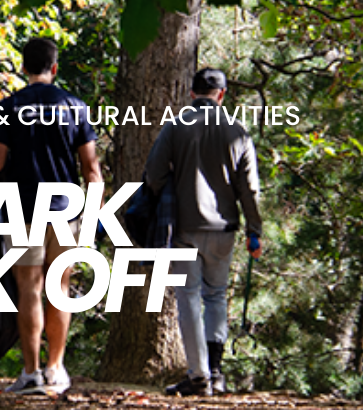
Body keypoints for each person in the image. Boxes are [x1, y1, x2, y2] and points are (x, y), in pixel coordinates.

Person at [0, 37, 102, 395]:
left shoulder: (9, 108)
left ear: (23, 67)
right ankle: (56, 369)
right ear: (54, 68)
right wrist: (92, 221)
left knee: (29, 290)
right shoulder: (75, 107)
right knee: (60, 289)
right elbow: (91, 170)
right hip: (66, 211)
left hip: (22, 209)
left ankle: (31, 372)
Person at [144, 68, 264, 397]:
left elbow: (153, 175)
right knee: (216, 296)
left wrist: (174, 186)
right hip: (224, 229)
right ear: (222, 95)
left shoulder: (176, 126)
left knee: (188, 298)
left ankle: (198, 377)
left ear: (191, 92)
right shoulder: (238, 131)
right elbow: (250, 189)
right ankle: (216, 371)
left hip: (183, 227)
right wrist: (255, 230)